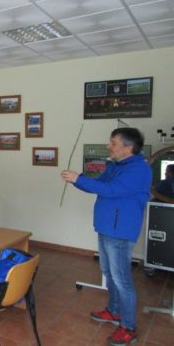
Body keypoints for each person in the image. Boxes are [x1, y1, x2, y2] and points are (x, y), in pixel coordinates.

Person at [61, 128, 152, 346]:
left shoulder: (139, 170)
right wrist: (76, 181)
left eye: (113, 143)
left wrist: (79, 178)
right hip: (106, 227)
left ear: (128, 147)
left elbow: (111, 190)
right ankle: (114, 311)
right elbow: (99, 187)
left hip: (120, 231)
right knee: (109, 273)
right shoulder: (115, 166)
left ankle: (129, 327)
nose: (108, 146)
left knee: (121, 279)